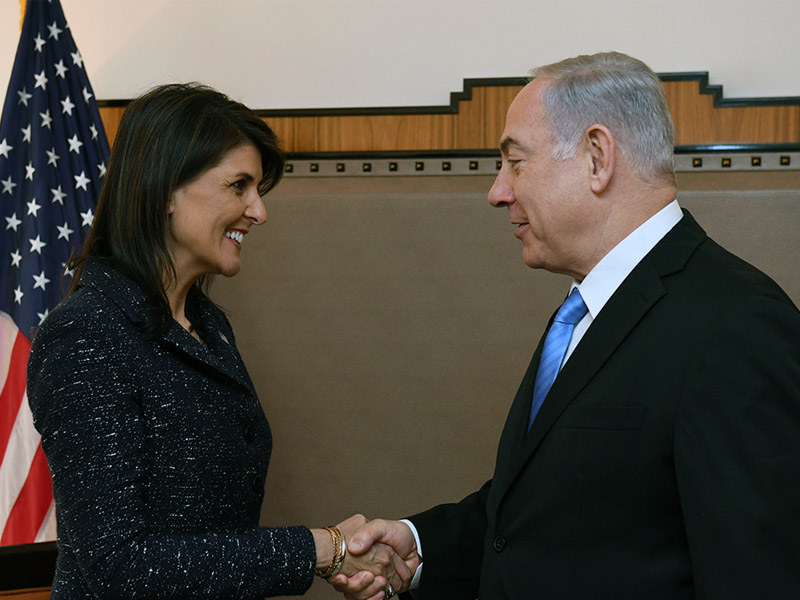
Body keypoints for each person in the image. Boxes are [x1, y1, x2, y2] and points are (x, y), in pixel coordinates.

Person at [332, 52, 800, 599]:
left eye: (516, 162)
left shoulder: (738, 325)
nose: (497, 190)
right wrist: (420, 545)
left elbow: (757, 575)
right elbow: (548, 511)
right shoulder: (585, 306)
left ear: (597, 158)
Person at [27, 83, 418, 599]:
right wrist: (321, 549)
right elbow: (120, 565)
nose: (258, 211)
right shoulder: (85, 334)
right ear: (164, 188)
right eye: (239, 186)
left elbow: (211, 533)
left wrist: (336, 555)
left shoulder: (207, 324)